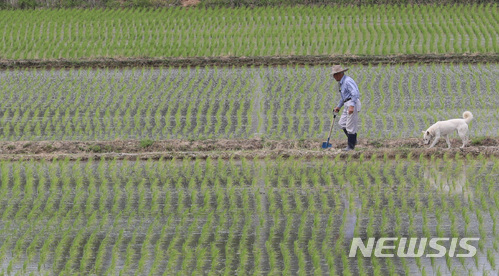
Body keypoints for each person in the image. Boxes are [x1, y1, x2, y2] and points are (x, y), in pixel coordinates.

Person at [331, 65, 361, 151]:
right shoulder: (342, 83)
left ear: (340, 74)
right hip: (347, 103)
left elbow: (355, 93)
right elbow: (344, 97)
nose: (334, 77)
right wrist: (338, 107)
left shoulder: (347, 81)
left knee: (350, 127)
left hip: (352, 103)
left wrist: (352, 106)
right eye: (333, 75)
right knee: (342, 123)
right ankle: (353, 140)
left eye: (335, 75)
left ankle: (350, 147)